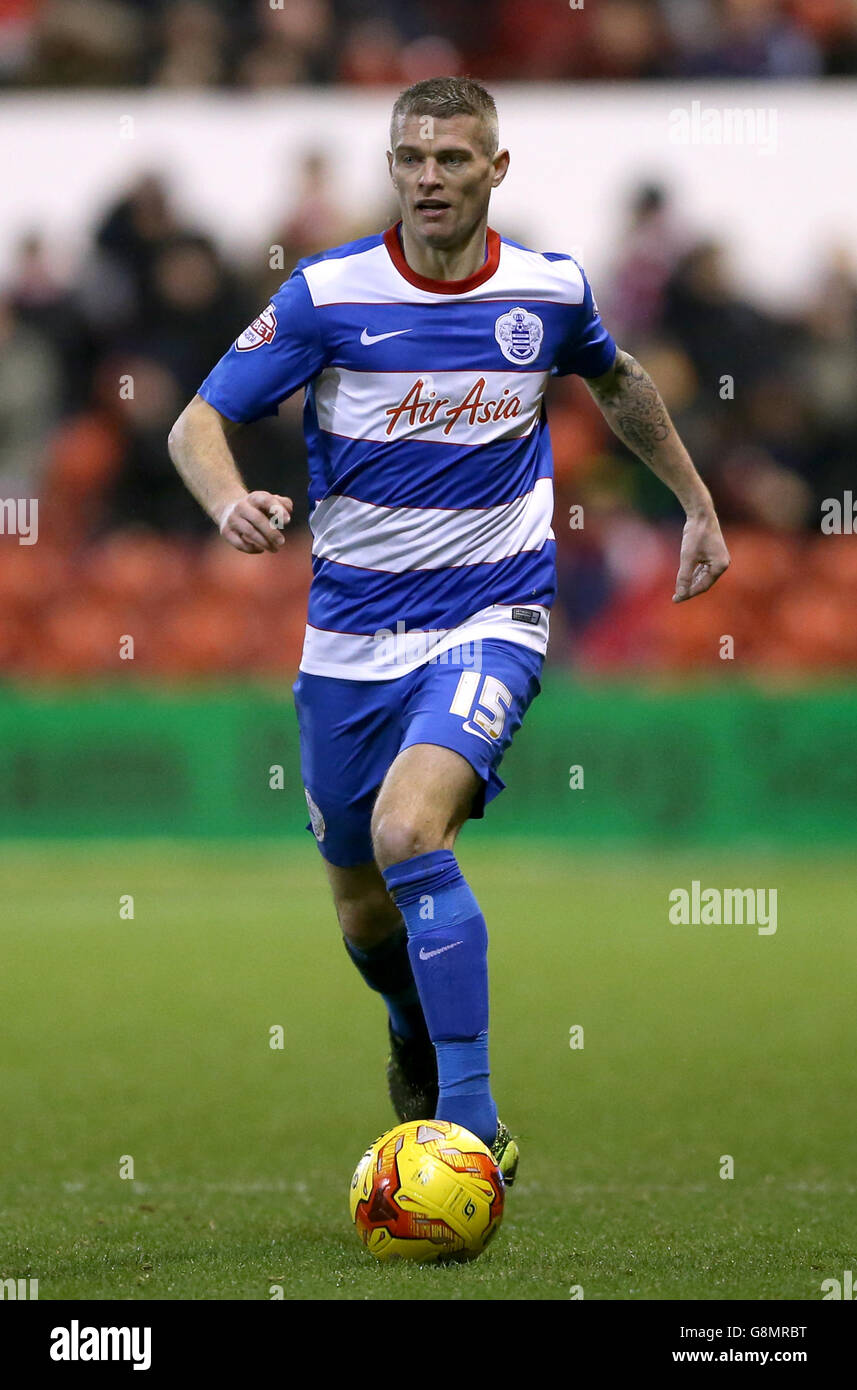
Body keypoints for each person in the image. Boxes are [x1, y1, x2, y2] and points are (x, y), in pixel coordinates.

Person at [168, 76, 729, 1184]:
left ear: (494, 171)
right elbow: (196, 422)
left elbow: (616, 384)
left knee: (410, 832)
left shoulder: (546, 290)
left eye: (453, 158)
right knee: (360, 903)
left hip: (492, 614)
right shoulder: (327, 295)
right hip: (347, 637)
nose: (430, 176)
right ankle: (411, 1033)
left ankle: (470, 1125)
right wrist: (228, 501)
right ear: (392, 168)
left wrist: (696, 502)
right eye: (411, 157)